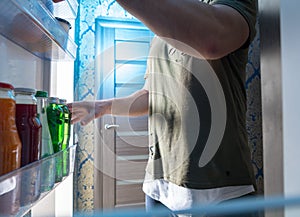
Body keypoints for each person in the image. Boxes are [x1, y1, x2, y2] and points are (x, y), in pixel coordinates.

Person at [69, 0, 258, 216]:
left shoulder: (227, 7)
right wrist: (100, 107)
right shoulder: (160, 36)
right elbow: (150, 96)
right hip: (160, 186)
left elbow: (210, 40)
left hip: (220, 188)